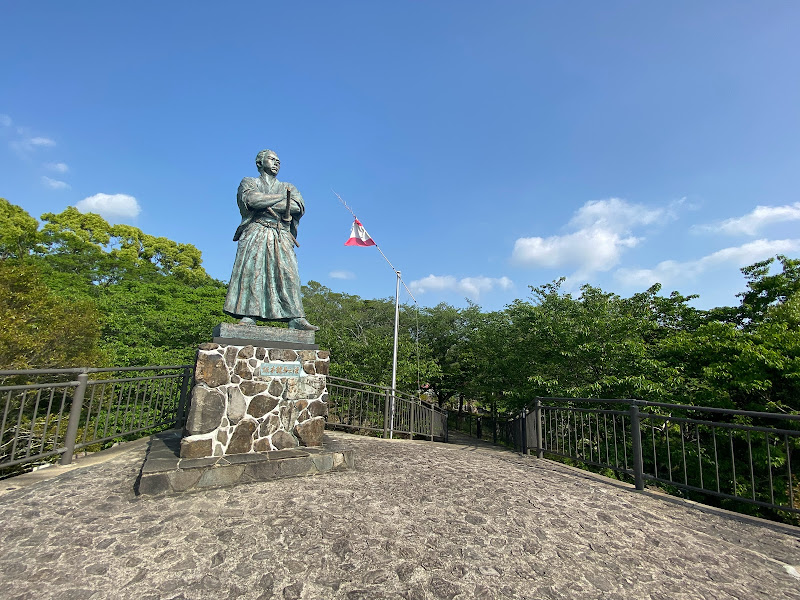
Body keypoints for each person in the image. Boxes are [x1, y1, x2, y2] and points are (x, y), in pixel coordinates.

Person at [223, 149, 318, 330]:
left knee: (289, 273)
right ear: (260, 163)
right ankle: (249, 314)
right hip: (256, 230)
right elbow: (251, 200)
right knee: (253, 271)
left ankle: (296, 317)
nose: (276, 163)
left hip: (281, 232)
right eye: (272, 159)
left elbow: (297, 206)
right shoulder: (249, 182)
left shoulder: (288, 186)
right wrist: (283, 198)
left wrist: (268, 201)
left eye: (279, 161)